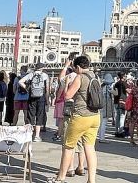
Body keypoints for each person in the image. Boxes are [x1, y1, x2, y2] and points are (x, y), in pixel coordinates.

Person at [49, 55, 101, 183]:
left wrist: (67, 85)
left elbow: (67, 96)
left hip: (81, 116)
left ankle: (61, 178)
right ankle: (91, 180)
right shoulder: (96, 77)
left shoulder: (80, 77)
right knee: (90, 148)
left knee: (68, 146)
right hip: (95, 116)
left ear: (78, 67)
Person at [18, 64, 49, 141]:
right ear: (42, 68)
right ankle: (37, 136)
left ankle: (29, 134)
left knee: (31, 115)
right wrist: (47, 99)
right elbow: (47, 89)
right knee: (39, 115)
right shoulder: (45, 75)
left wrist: (27, 88)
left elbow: (20, 82)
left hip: (31, 97)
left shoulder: (31, 75)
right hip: (41, 97)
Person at [98, 74, 114, 143]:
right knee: (104, 122)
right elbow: (115, 93)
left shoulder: (101, 86)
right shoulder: (108, 87)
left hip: (100, 106)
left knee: (101, 122)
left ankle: (100, 136)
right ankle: (102, 138)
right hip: (106, 106)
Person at [113, 72, 128, 138]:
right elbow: (128, 91)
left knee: (117, 117)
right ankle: (121, 131)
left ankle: (116, 131)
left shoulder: (116, 84)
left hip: (116, 101)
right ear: (123, 76)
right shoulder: (124, 83)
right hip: (123, 101)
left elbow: (115, 93)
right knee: (122, 116)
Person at [54, 75, 68, 141]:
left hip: (61, 101)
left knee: (61, 120)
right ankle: (62, 134)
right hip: (66, 102)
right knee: (64, 120)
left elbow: (60, 92)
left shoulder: (63, 82)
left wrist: (57, 99)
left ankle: (59, 135)